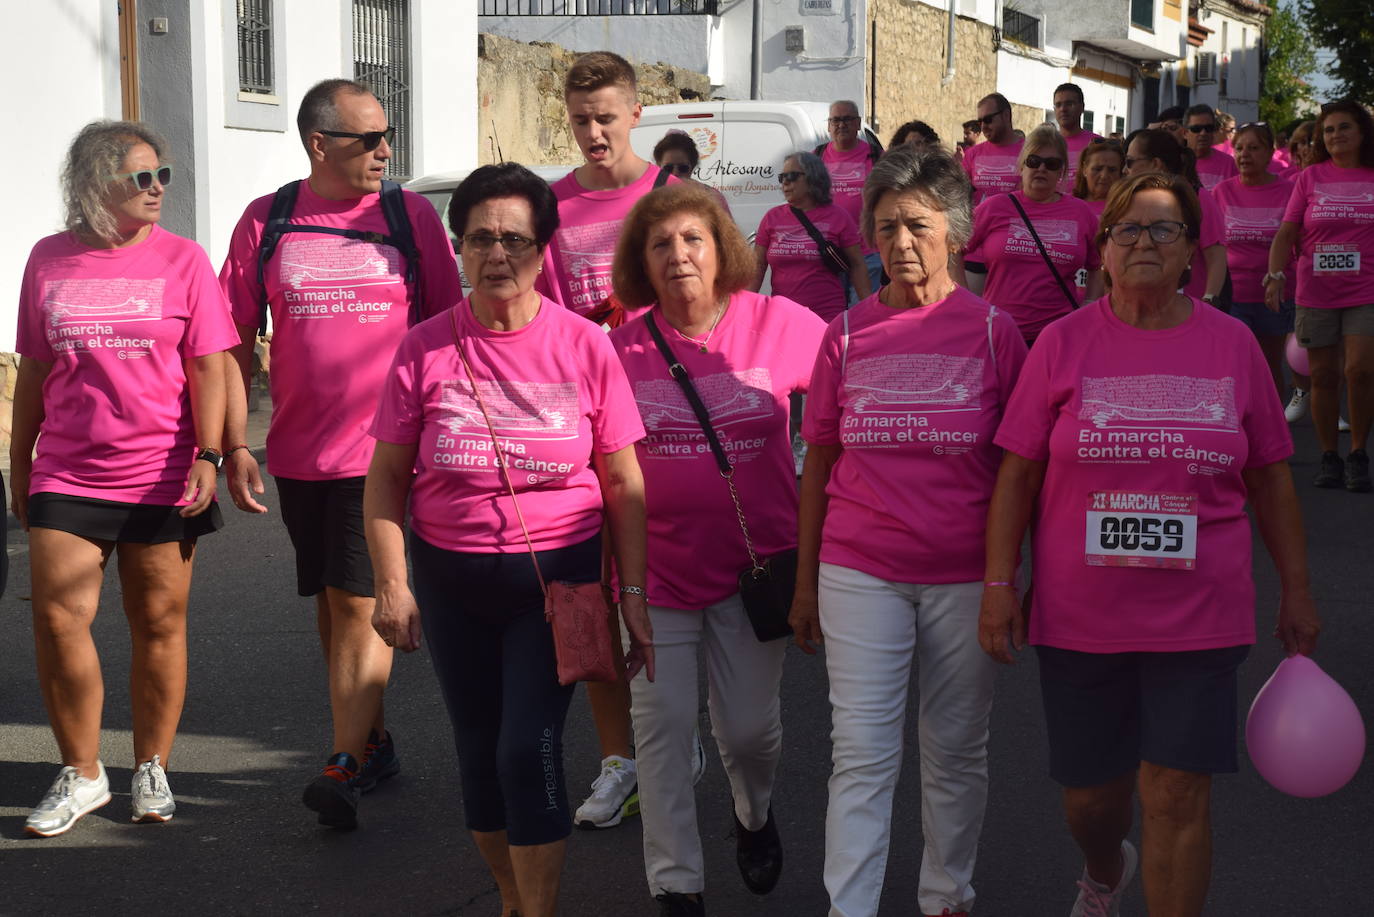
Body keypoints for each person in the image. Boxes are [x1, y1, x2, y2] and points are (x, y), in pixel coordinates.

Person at [980, 171, 1320, 917]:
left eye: (1162, 229)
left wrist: (1296, 588)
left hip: (1200, 613)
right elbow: (1018, 474)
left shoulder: (1232, 346)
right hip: (1080, 614)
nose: (1142, 242)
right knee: (1092, 800)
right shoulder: (1062, 344)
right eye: (1126, 229)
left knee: (1175, 792)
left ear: (1191, 252)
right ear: (1101, 249)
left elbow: (1270, 480)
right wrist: (1000, 585)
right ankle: (1104, 869)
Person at [366, 162, 653, 917]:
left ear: (544, 248)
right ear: (459, 245)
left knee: (527, 749)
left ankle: (538, 909)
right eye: (481, 238)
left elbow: (623, 480)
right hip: (450, 579)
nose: (499, 255)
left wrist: (632, 592)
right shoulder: (422, 348)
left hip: (553, 579)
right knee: (479, 753)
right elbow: (387, 479)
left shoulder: (588, 346)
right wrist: (392, 584)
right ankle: (511, 896)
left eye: (517, 240)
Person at [790, 145, 1028, 917]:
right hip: (861, 568)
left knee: (956, 748)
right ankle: (848, 905)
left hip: (965, 575)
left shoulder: (996, 334)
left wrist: (1005, 582)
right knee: (861, 752)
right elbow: (818, 463)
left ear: (954, 233)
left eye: (917, 226)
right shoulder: (847, 334)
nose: (899, 244)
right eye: (886, 226)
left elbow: (1022, 474)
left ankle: (946, 896)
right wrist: (804, 586)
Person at [218, 78, 462, 829]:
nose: (386, 151)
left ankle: (344, 758)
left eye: (387, 135)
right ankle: (376, 738)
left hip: (385, 454)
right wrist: (232, 442)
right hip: (297, 452)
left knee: (361, 601)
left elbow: (450, 326)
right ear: (320, 144)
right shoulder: (270, 220)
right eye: (369, 139)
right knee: (332, 599)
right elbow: (230, 341)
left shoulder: (407, 214)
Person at [15, 119, 237, 837]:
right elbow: (34, 375)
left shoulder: (184, 261)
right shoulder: (48, 260)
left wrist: (212, 452)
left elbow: (210, 365)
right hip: (68, 469)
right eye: (142, 176)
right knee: (55, 617)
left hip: (162, 470)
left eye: (162, 175)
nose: (157, 190)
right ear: (96, 184)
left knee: (159, 622)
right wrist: (19, 467)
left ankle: (151, 764)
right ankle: (81, 772)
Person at [609, 183, 826, 917]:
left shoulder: (782, 323)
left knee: (748, 731)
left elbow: (843, 410)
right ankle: (677, 885)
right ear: (642, 262)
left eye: (693, 239)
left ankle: (753, 812)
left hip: (754, 570)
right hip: (655, 576)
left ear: (722, 246)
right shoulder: (620, 347)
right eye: (660, 244)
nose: (678, 256)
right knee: (663, 731)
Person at [538, 50, 681, 830]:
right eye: (579, 120)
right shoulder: (550, 205)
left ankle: (675, 734)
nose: (593, 133)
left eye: (605, 118)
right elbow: (547, 321)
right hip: (589, 417)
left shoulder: (673, 196)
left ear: (635, 114)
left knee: (671, 587)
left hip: (674, 414)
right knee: (593, 595)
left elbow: (715, 301)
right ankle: (620, 760)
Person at [1267, 99, 1374, 492]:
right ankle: (1330, 455)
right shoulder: (1309, 178)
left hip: (1367, 290)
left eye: (1344, 128)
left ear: (1362, 133)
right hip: (1316, 291)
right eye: (1328, 130)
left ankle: (1359, 452)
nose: (1335, 136)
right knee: (1323, 376)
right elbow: (1287, 232)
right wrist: (1275, 274)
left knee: (1360, 371)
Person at [955, 124, 1103, 345]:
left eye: (1051, 164)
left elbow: (1098, 264)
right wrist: (965, 300)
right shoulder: (996, 207)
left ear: (1062, 171)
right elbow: (953, 248)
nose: (1041, 169)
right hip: (1000, 334)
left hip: (1059, 338)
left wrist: (1090, 303)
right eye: (1034, 161)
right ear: (1022, 165)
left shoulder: (1081, 213)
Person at [1212, 122, 1297, 397]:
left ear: (1270, 152)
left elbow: (1296, 244)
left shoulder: (1287, 191)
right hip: (1232, 294)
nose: (1244, 154)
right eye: (1239, 148)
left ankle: (1274, 422)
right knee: (1235, 362)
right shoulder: (1221, 192)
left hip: (1273, 293)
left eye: (1253, 148)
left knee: (1269, 363)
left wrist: (1281, 278)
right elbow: (1211, 244)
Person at [752, 151, 869, 322]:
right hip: (782, 318)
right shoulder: (772, 218)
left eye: (792, 176)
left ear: (813, 177)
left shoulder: (838, 217)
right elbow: (758, 266)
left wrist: (867, 308)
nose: (785, 181)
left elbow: (857, 264)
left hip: (825, 317)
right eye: (782, 177)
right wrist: (744, 305)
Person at [1123, 128, 1227, 307]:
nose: (1125, 169)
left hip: (1190, 308)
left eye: (1130, 162)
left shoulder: (1198, 198)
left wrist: (1210, 298)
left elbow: (1216, 255)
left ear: (1156, 164)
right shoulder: (1131, 199)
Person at [817, 100, 884, 297]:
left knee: (862, 313)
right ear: (829, 125)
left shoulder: (877, 156)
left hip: (868, 252)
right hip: (829, 251)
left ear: (858, 123)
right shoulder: (817, 156)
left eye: (847, 119)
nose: (841, 125)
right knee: (832, 312)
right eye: (836, 120)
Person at [963, 93, 1024, 206]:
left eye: (988, 120)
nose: (983, 127)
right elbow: (960, 193)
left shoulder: (1029, 152)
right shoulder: (972, 154)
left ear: (1006, 115)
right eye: (980, 122)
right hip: (979, 222)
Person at [653, 130, 731, 215]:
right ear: (658, 166)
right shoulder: (648, 199)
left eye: (683, 168)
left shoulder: (712, 198)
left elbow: (727, 228)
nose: (675, 173)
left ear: (692, 167)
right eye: (668, 168)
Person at [1053, 82, 1101, 193]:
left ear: (1082, 107)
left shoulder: (1097, 144)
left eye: (1069, 104)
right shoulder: (1047, 143)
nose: (1063, 109)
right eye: (1058, 105)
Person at [1184, 104, 1238, 191]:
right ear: (1185, 133)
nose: (1203, 133)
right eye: (1196, 128)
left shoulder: (1229, 164)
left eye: (1208, 128)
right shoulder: (1175, 162)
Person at [1073, 138, 1125, 221]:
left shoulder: (1128, 207)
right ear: (1084, 169)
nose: (1104, 176)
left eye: (1112, 170)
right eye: (1097, 169)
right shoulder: (1067, 205)